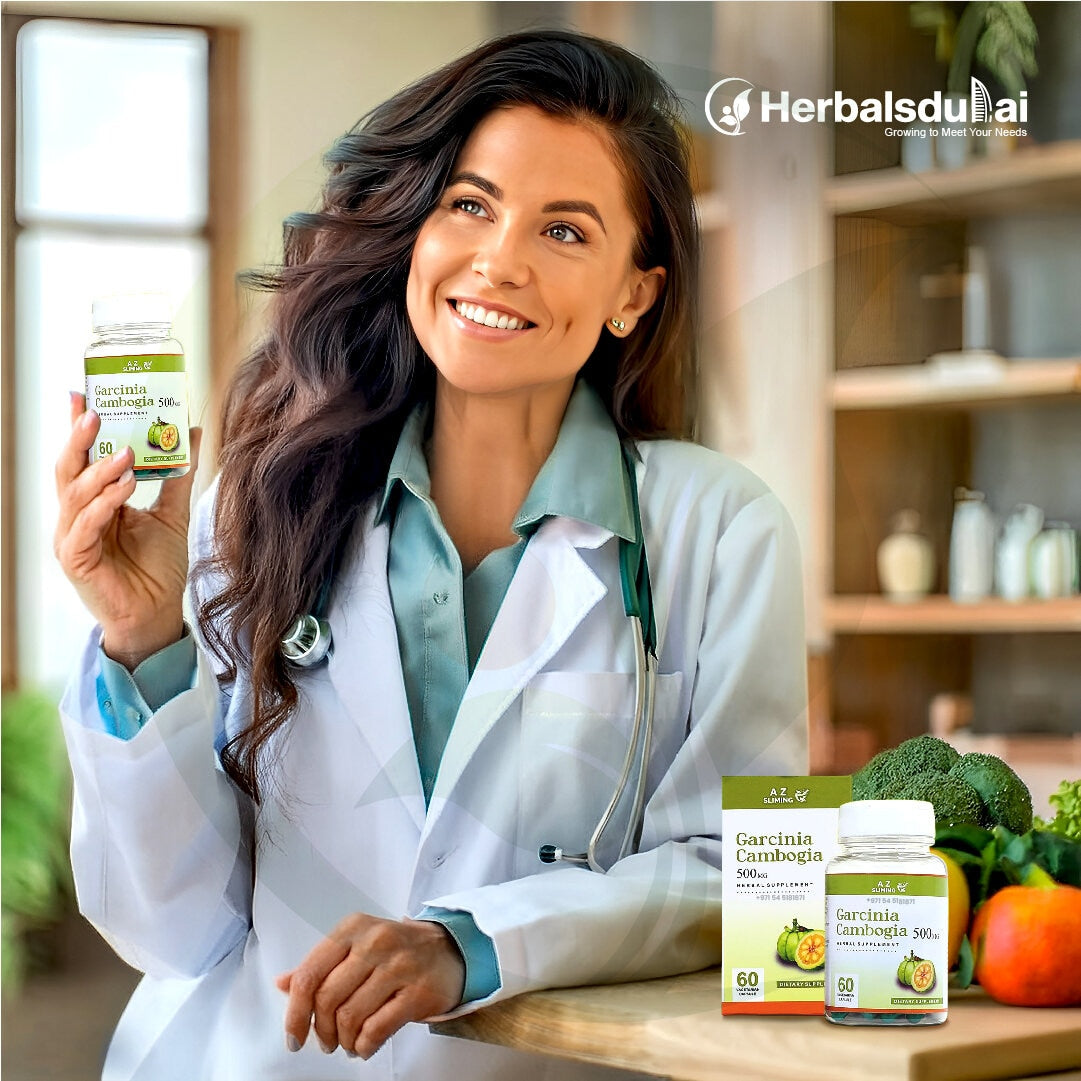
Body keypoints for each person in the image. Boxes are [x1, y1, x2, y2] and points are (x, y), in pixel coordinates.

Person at [54, 28, 807, 1081]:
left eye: (564, 229)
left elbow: (735, 874)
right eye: (471, 204)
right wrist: (141, 639)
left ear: (634, 292)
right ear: (418, 226)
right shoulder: (259, 503)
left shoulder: (717, 531)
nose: (499, 259)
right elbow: (170, 929)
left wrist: (472, 942)